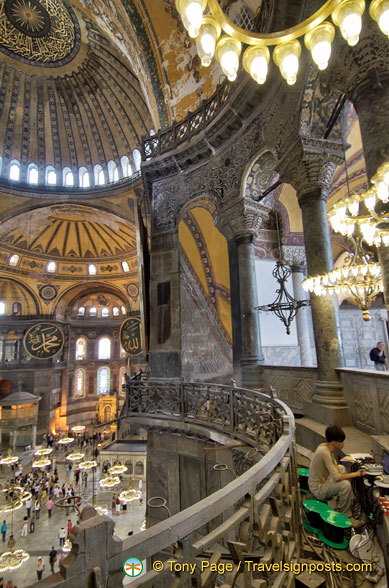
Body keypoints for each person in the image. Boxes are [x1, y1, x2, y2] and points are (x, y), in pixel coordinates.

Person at [308, 425, 366, 528]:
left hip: (323, 479)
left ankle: (342, 501)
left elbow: (335, 465)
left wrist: (340, 472)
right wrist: (357, 474)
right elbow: (337, 478)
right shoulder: (324, 452)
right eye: (341, 441)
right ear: (334, 442)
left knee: (341, 468)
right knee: (345, 485)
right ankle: (346, 514)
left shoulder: (325, 446)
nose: (343, 444)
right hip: (318, 487)